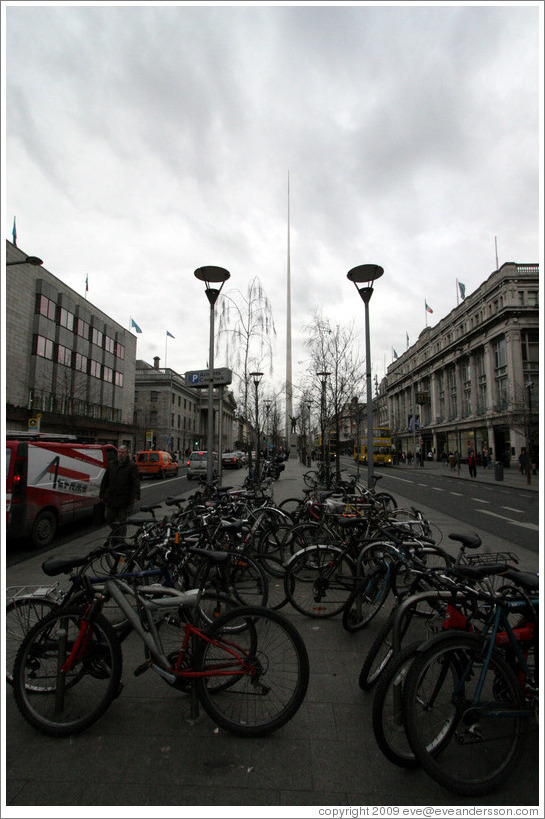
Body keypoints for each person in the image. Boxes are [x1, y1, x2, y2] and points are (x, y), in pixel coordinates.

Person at [100, 444, 140, 535]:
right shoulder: (112, 464)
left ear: (126, 454)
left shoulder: (131, 466)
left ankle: (120, 541)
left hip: (124, 498)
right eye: (119, 452)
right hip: (111, 498)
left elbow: (136, 482)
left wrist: (136, 495)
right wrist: (102, 494)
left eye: (122, 452)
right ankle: (116, 533)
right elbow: (105, 481)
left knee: (122, 520)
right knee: (108, 517)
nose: (120, 454)